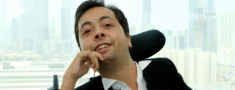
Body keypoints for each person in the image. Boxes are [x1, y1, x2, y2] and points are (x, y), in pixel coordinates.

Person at [61, 0, 192, 90]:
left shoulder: (163, 69)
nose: (98, 33)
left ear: (128, 38)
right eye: (87, 31)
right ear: (82, 51)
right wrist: (69, 78)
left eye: (107, 25)